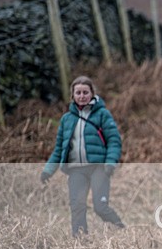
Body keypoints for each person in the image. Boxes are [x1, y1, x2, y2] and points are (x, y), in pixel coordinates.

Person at [40, 75, 125, 236]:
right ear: (72, 95)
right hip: (76, 170)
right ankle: (80, 243)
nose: (82, 96)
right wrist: (48, 170)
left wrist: (110, 163)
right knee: (77, 206)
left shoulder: (102, 114)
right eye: (78, 93)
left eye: (85, 92)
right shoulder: (66, 119)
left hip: (98, 167)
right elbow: (59, 148)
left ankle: (121, 230)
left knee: (100, 207)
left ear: (92, 93)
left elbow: (114, 140)